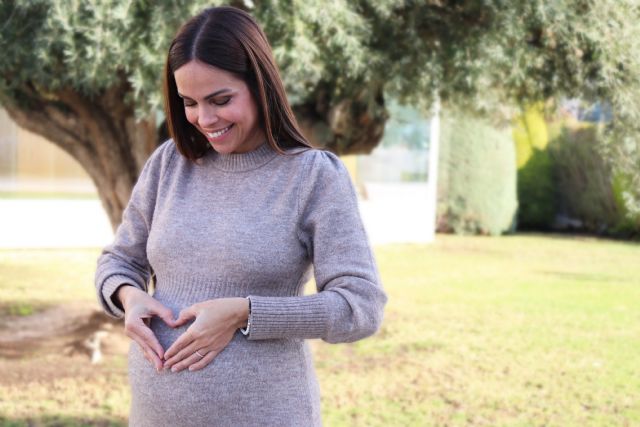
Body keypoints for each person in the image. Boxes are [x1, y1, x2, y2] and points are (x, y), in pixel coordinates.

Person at [94, 6, 387, 427]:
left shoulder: (313, 177)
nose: (204, 119)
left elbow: (361, 307)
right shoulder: (169, 165)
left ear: (260, 85)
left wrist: (245, 313)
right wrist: (128, 296)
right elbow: (118, 261)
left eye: (221, 100)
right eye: (189, 103)